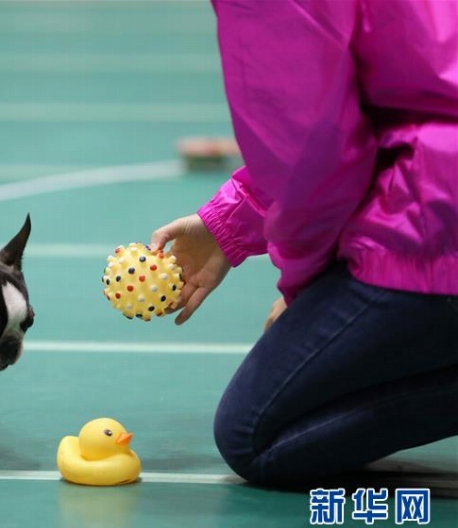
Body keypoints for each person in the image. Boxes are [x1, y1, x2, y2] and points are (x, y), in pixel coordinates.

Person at [151, 0, 458, 487]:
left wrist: (306, 294)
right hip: (440, 185)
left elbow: (315, 159)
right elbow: (345, 113)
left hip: (441, 223)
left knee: (255, 436)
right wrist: (228, 224)